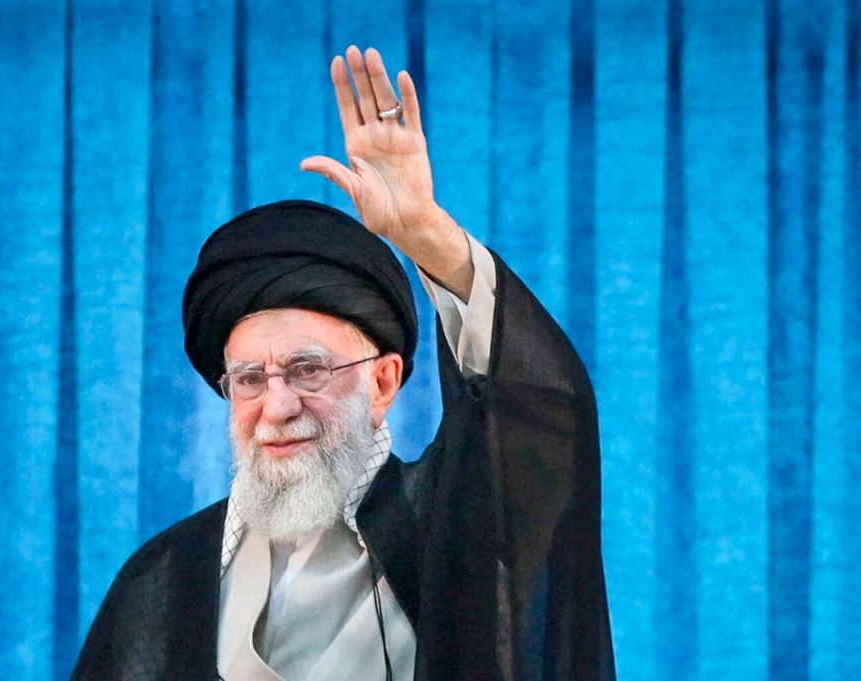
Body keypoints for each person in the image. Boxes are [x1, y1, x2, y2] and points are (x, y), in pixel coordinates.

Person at [70, 46, 615, 681]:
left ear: (382, 381)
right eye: (250, 379)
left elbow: (544, 425)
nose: (278, 407)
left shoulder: (457, 530)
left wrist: (426, 235)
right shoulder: (163, 577)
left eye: (308, 370)